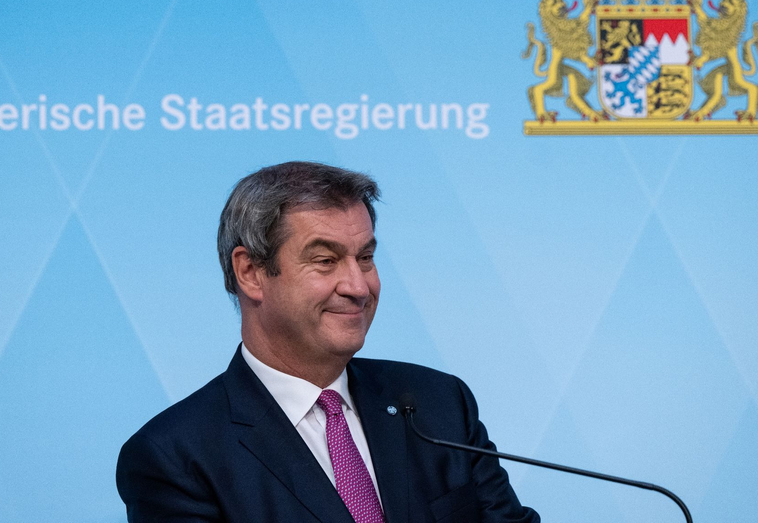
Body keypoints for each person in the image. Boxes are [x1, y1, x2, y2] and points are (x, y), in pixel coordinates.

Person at [117, 161, 540, 523]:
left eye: (366, 258)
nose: (358, 286)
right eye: (325, 261)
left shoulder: (439, 404)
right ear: (250, 272)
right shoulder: (175, 457)